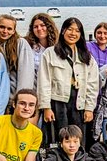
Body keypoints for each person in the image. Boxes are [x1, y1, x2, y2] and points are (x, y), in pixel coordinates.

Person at [37, 17, 99, 146]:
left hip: (79, 102)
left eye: (77, 31)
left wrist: (89, 108)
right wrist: (46, 107)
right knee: (57, 138)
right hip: (57, 102)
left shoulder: (86, 56)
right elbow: (44, 81)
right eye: (70, 29)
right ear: (63, 30)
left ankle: (78, 159)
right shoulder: (50, 53)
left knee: (78, 139)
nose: (73, 33)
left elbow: (93, 85)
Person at [0, 14, 35, 108]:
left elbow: (26, 73)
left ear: (13, 31)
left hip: (14, 98)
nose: (5, 31)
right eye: (2, 27)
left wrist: (21, 99)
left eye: (9, 29)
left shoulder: (20, 43)